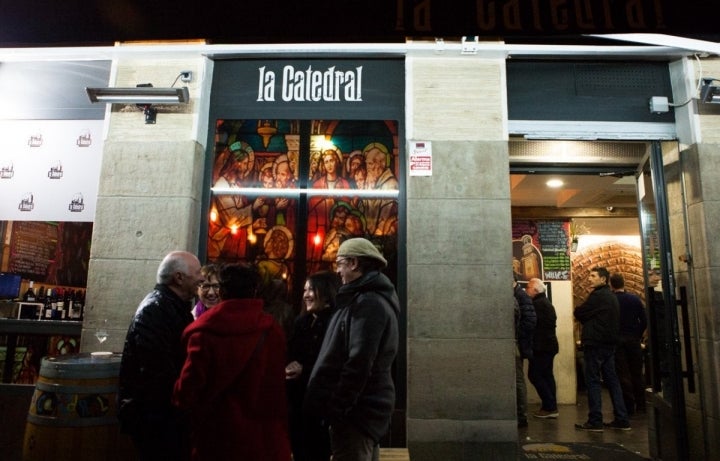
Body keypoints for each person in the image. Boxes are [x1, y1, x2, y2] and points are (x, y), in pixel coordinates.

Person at [172, 263, 291, 461]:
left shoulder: (203, 333)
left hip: (216, 437)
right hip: (263, 438)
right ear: (255, 290)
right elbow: (275, 387)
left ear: (223, 291)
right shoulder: (271, 330)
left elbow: (187, 390)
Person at [304, 238, 399, 461]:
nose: (337, 271)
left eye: (339, 263)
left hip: (357, 417)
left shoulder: (368, 303)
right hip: (361, 414)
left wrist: (337, 409)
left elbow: (359, 362)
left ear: (354, 263)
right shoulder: (368, 299)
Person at [118, 250, 204, 461]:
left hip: (164, 416)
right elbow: (157, 371)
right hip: (155, 418)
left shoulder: (172, 307)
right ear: (179, 277)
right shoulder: (155, 311)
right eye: (198, 272)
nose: (202, 278)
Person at [286, 271, 341, 461]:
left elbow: (334, 364)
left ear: (326, 293)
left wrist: (305, 370)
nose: (306, 295)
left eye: (311, 290)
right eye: (304, 290)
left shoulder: (335, 323)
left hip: (321, 408)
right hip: (298, 405)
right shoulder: (302, 322)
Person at [574, 266, 631, 431]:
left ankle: (595, 420)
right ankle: (622, 418)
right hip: (609, 344)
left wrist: (584, 315)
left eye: (593, 276)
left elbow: (580, 312)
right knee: (612, 381)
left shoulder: (597, 296)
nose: (589, 279)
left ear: (603, 279)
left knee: (592, 381)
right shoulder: (611, 296)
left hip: (595, 344)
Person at [610, 272, 648, 415]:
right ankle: (642, 405)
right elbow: (644, 320)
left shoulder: (611, 300)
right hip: (633, 341)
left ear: (611, 284)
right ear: (624, 283)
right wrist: (637, 335)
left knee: (622, 374)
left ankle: (628, 406)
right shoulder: (634, 299)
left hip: (617, 341)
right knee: (637, 373)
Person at [525, 278, 559, 419]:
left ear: (536, 290)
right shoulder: (546, 303)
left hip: (541, 347)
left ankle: (549, 406)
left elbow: (533, 326)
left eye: (528, 287)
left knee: (535, 375)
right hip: (549, 345)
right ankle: (551, 406)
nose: (526, 290)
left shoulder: (537, 305)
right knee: (547, 375)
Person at [514, 275, 536, 428]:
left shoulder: (520, 296)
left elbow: (529, 321)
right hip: (516, 343)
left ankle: (521, 416)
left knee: (517, 380)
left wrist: (516, 337)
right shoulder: (519, 296)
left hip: (516, 344)